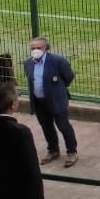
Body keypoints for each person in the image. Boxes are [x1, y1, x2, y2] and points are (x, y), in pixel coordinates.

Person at [23, 37, 77, 167]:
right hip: (39, 101)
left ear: (46, 48)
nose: (35, 51)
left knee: (63, 126)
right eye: (33, 48)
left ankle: (71, 152)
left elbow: (68, 77)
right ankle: (52, 150)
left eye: (38, 48)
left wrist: (58, 90)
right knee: (46, 126)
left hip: (56, 100)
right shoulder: (28, 63)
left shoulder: (57, 61)